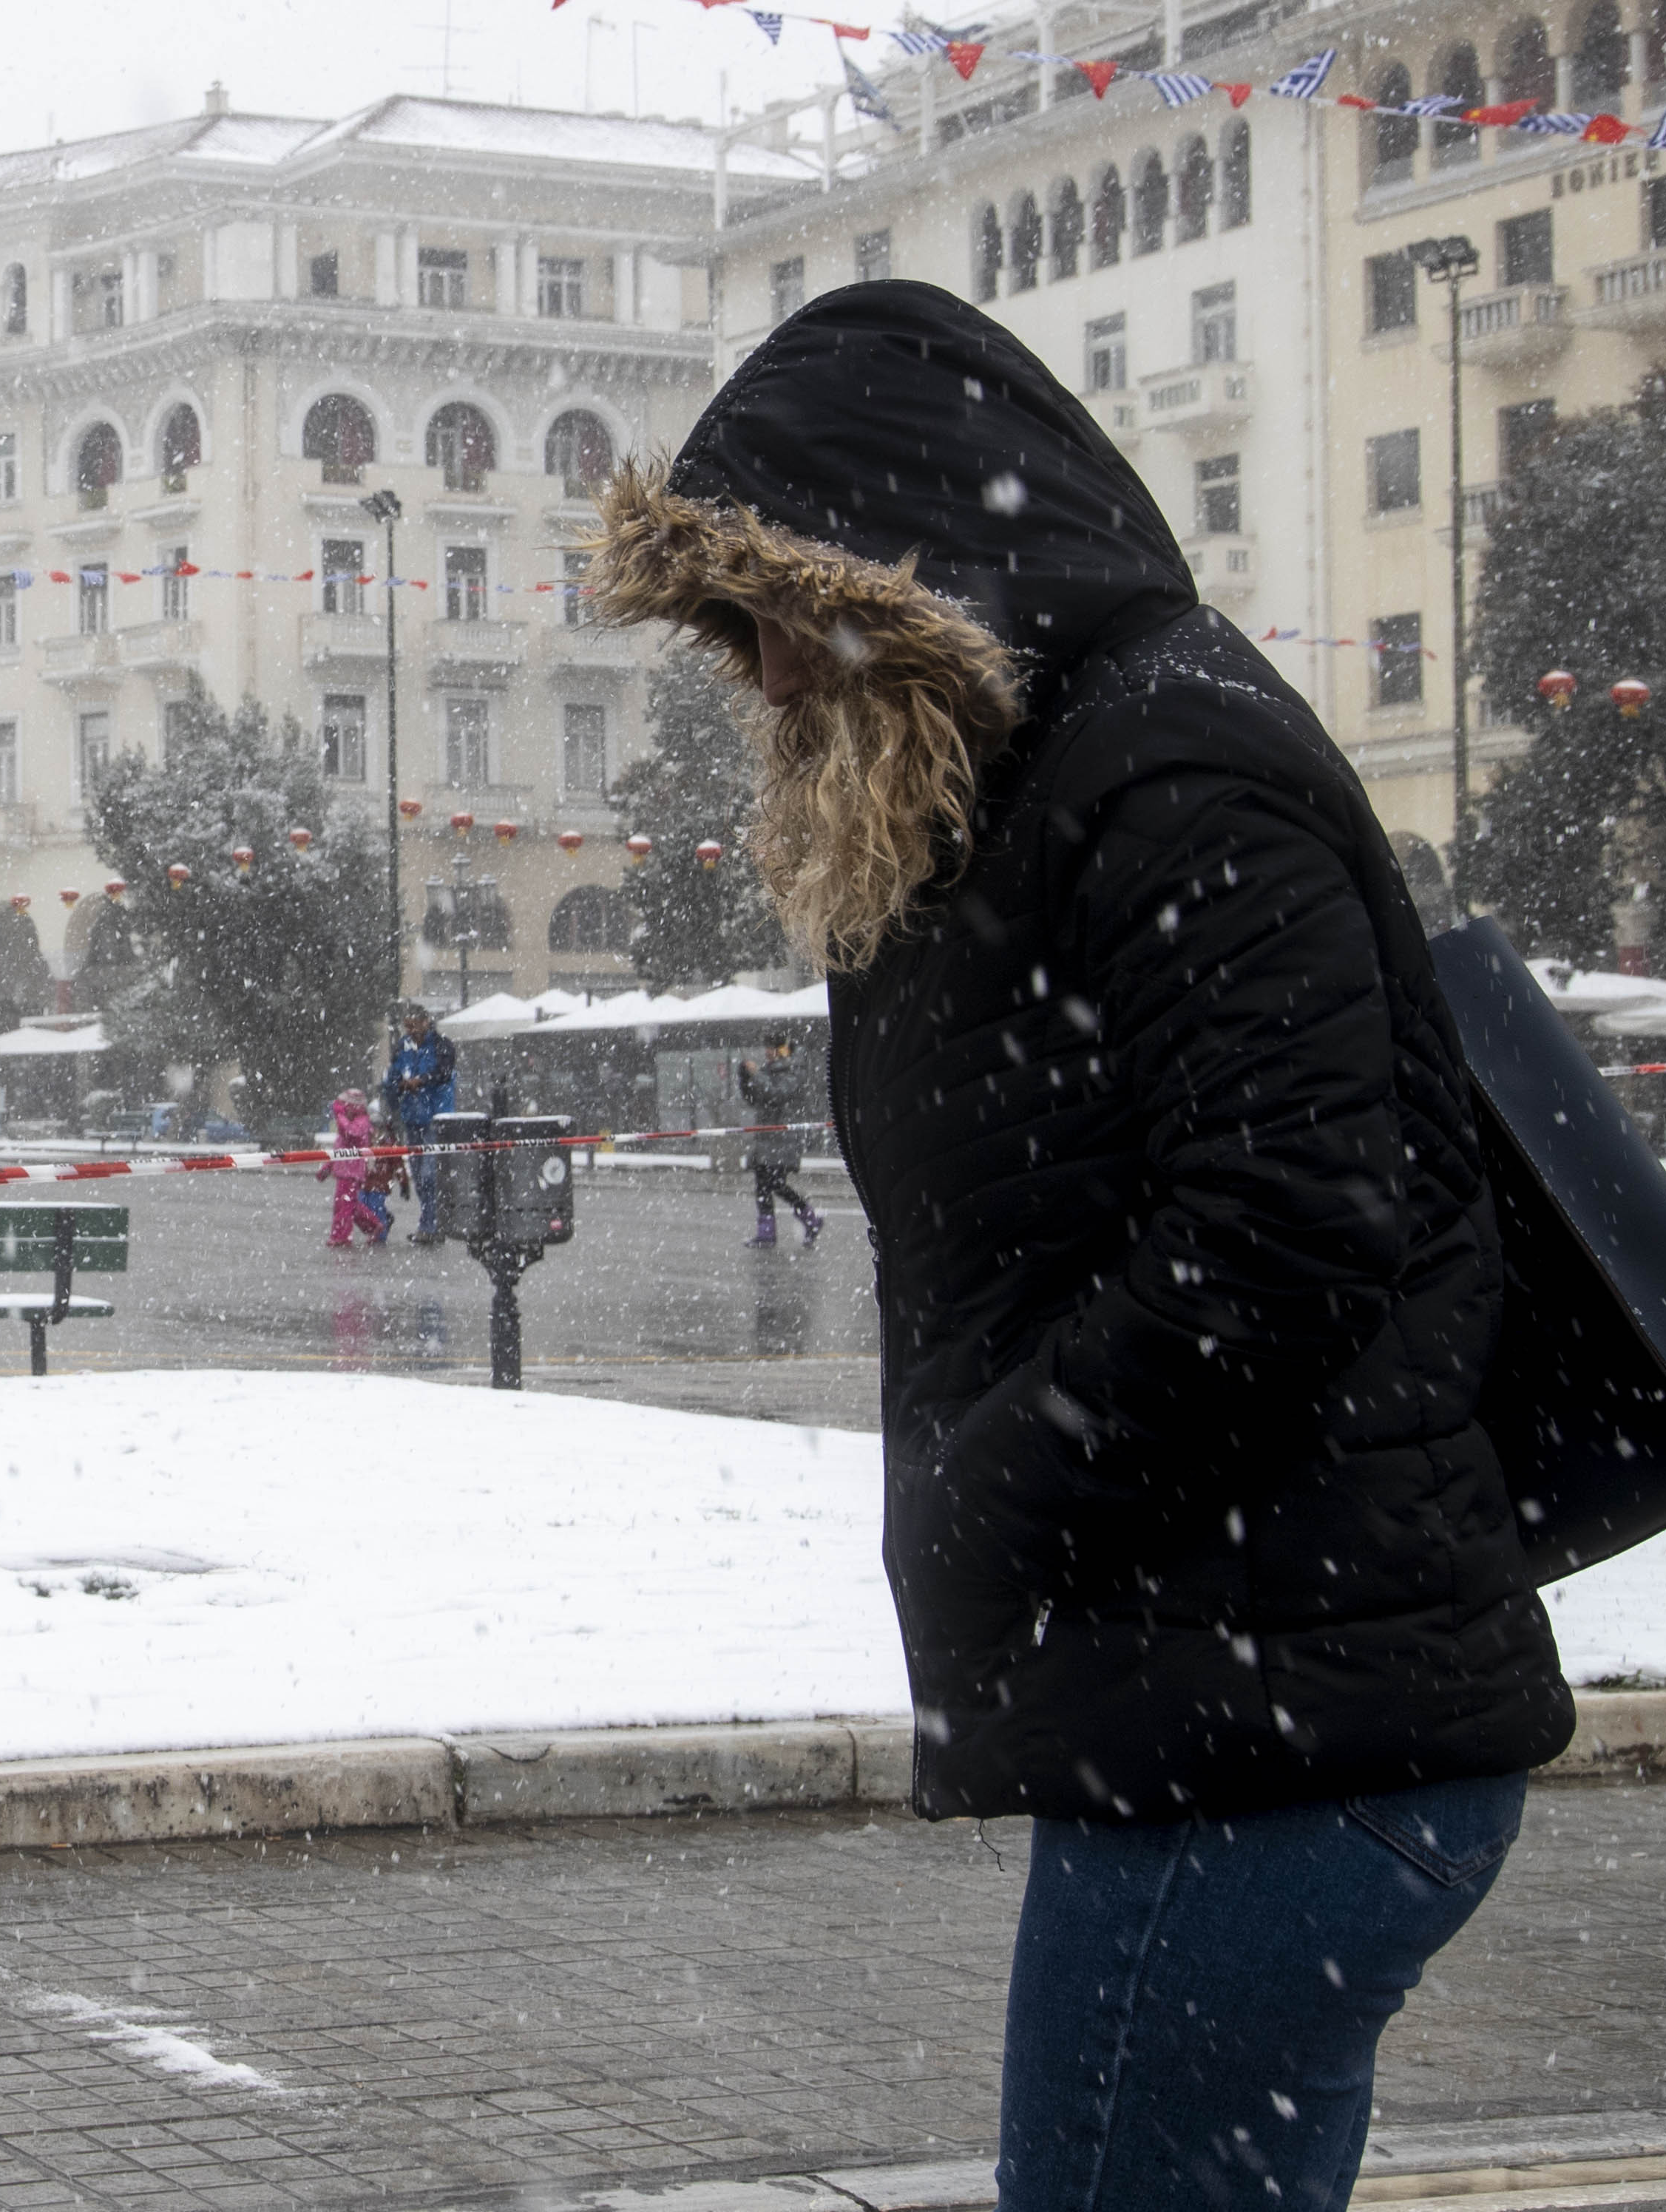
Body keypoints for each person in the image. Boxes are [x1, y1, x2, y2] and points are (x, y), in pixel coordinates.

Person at [593, 281, 1570, 2212]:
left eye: (777, 614)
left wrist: (1000, 1493)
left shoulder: (1165, 765)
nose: (766, 680)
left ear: (903, 566)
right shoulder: (1047, 776)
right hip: (1235, 1708)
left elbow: (1290, 1229)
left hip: (1279, 1738)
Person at [737, 1032, 824, 1248]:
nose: (767, 1052)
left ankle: (808, 1219)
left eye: (772, 1048)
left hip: (784, 1139)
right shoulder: (767, 1072)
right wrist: (745, 1079)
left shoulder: (793, 1071)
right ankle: (770, 1232)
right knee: (764, 1185)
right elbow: (754, 1100)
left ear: (783, 1050)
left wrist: (756, 1074)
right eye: (767, 1047)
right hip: (767, 1139)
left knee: (774, 1183)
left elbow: (776, 1094)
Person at [382, 1002, 458, 1243]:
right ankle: (431, 1222)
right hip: (412, 1118)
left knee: (429, 1175)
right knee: (419, 1174)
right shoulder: (403, 1047)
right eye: (408, 1027)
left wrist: (422, 1081)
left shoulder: (441, 1045)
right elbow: (392, 1078)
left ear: (426, 1022)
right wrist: (398, 1088)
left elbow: (444, 1072)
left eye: (414, 1025)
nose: (411, 1031)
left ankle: (432, 1224)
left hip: (436, 1118)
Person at [323, 1088, 390, 1249]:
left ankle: (342, 1236)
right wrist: (328, 1167)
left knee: (345, 1206)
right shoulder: (349, 1122)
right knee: (350, 1205)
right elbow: (339, 1149)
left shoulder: (362, 1122)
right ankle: (373, 1225)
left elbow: (351, 1134)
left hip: (352, 1172)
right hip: (344, 1171)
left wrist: (340, 1116)